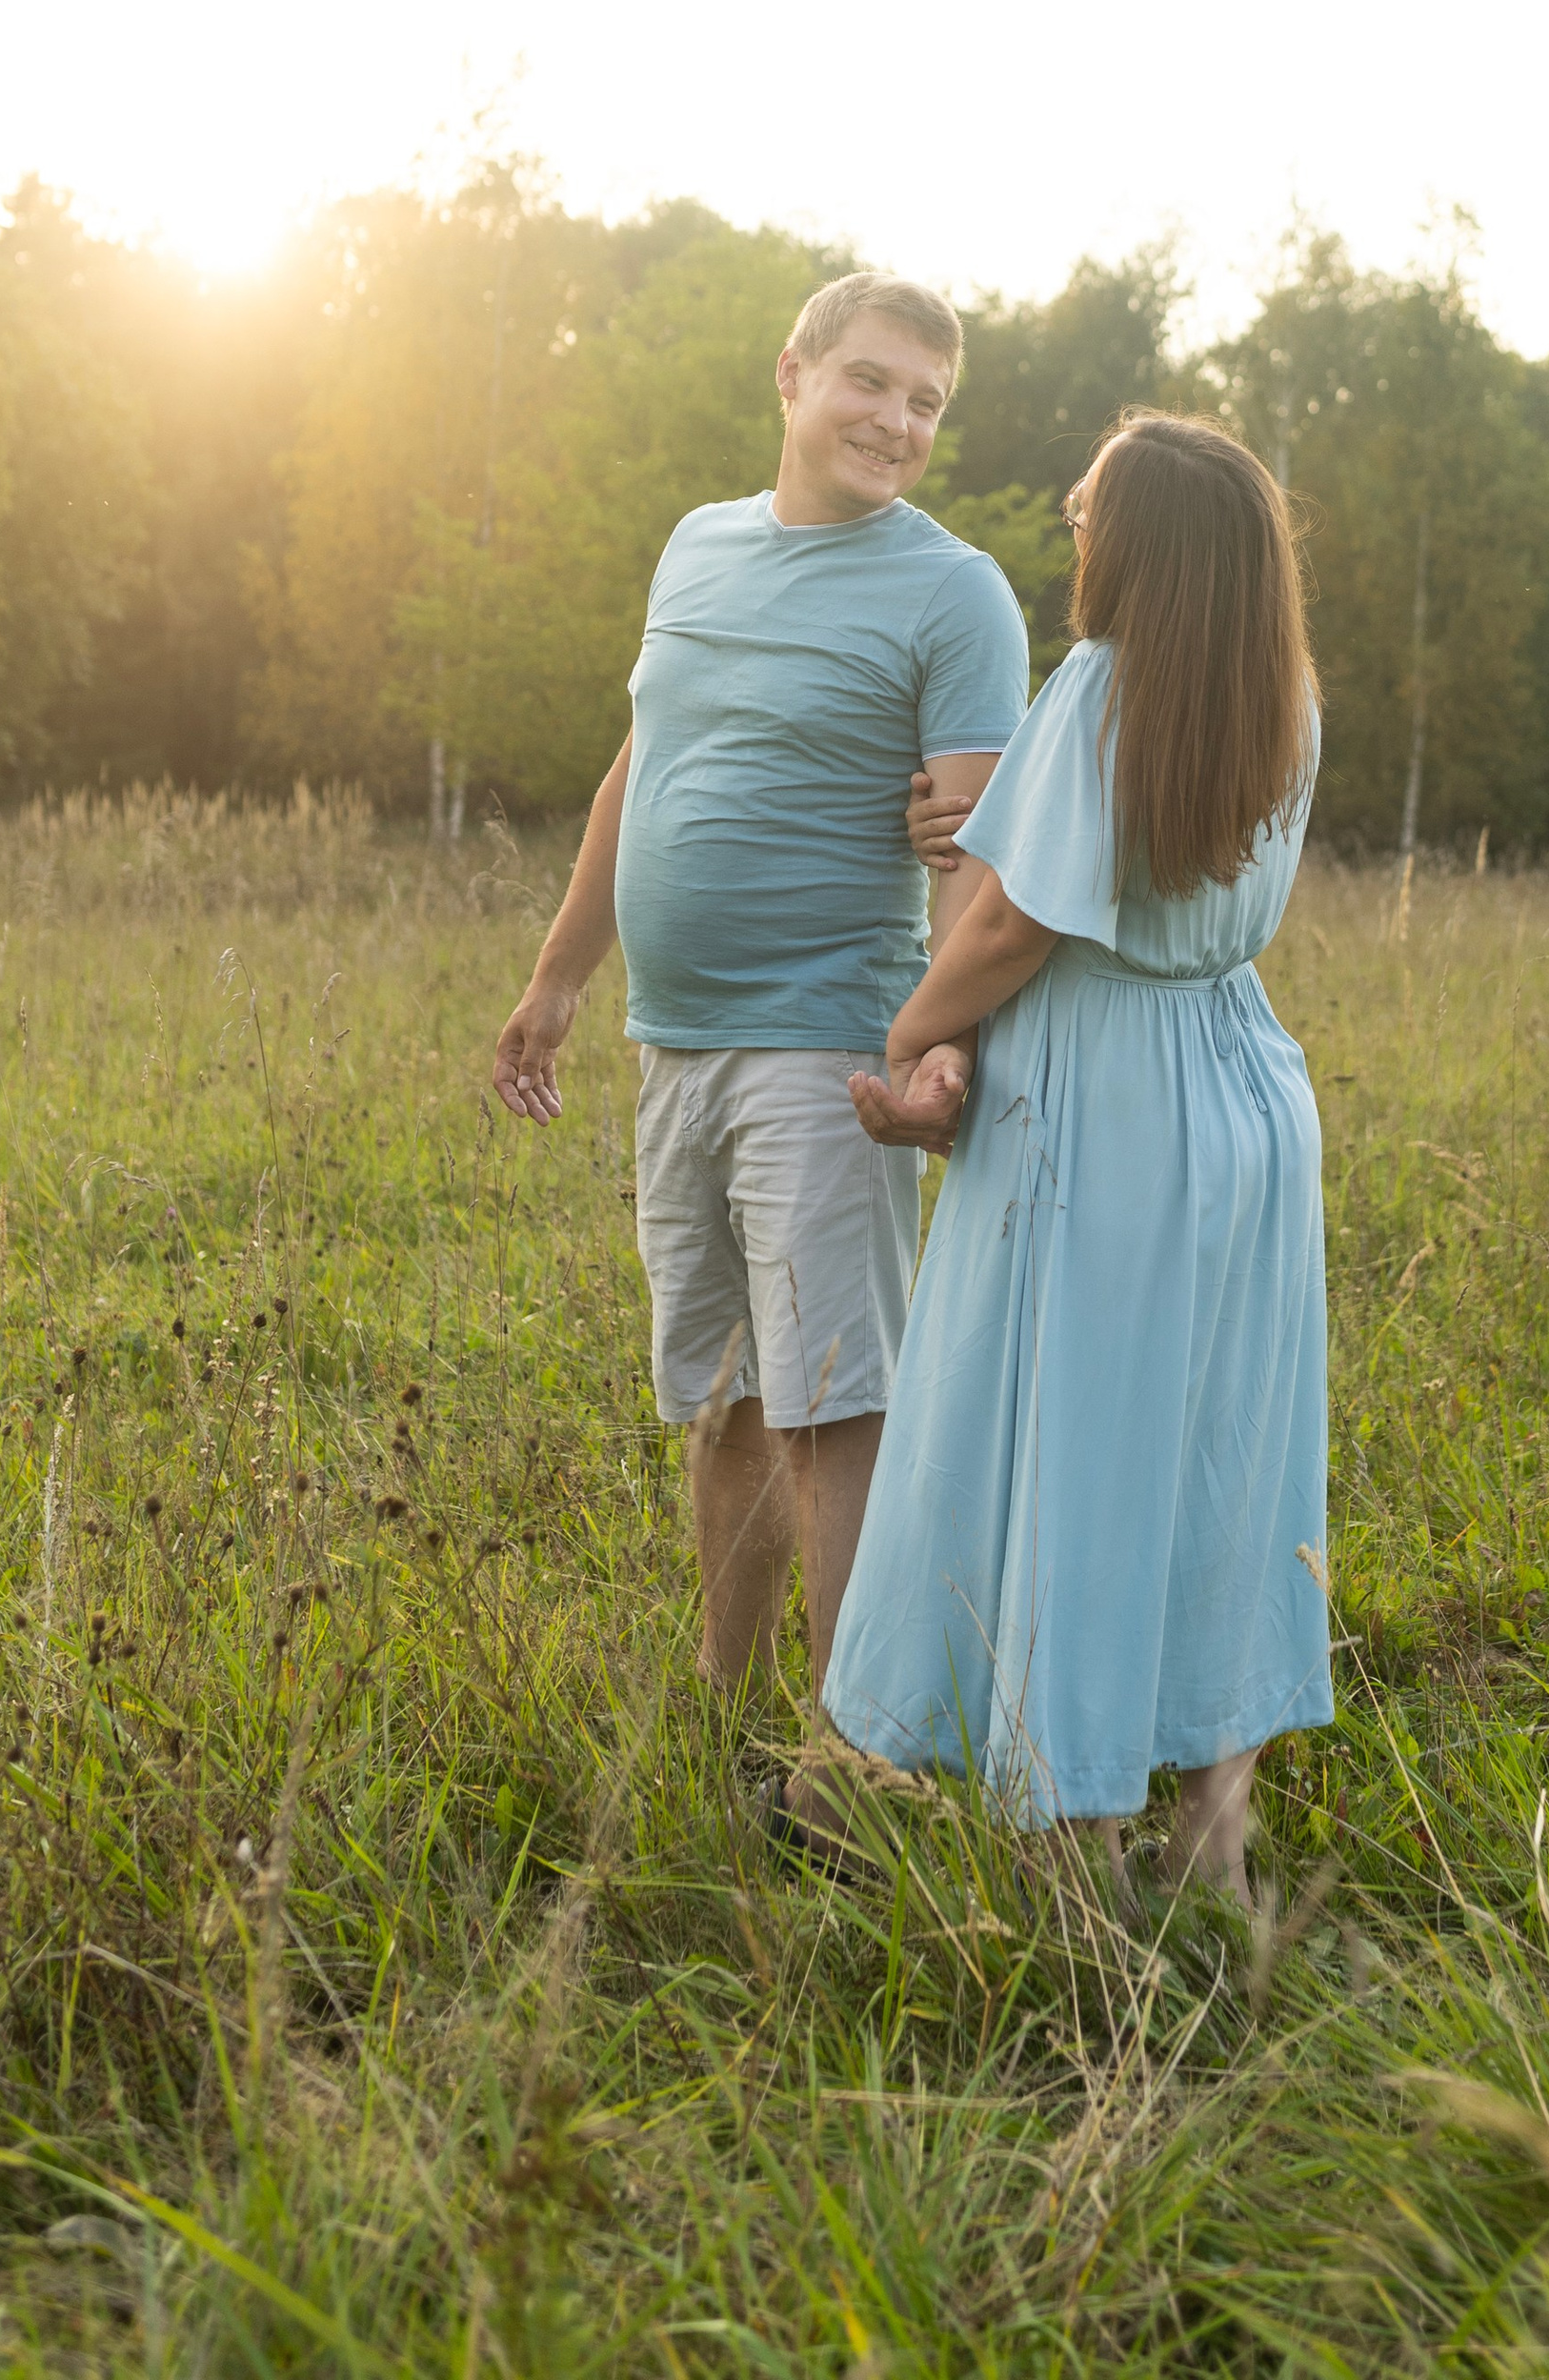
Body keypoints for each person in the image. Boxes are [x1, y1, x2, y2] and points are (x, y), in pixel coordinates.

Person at [489, 272, 1031, 1711]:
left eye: (927, 403)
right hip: (673, 1042)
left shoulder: (955, 592)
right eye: (872, 382)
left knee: (832, 1405)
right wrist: (559, 976)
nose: (898, 422)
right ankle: (726, 1707)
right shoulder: (696, 546)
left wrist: (939, 1049)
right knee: (725, 1394)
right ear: (791, 375)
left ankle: (849, 1753)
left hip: (827, 1049)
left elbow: (972, 852)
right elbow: (637, 770)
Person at [811, 412, 1331, 1902]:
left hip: (1109, 1097)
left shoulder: (1104, 684)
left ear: (1147, 545)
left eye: (1092, 503)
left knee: (1082, 1458)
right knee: (1227, 1458)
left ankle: (1073, 1841)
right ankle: (1212, 1838)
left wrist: (913, 1030)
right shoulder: (1286, 694)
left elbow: (1012, 925)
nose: (1069, 511)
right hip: (1244, 1086)